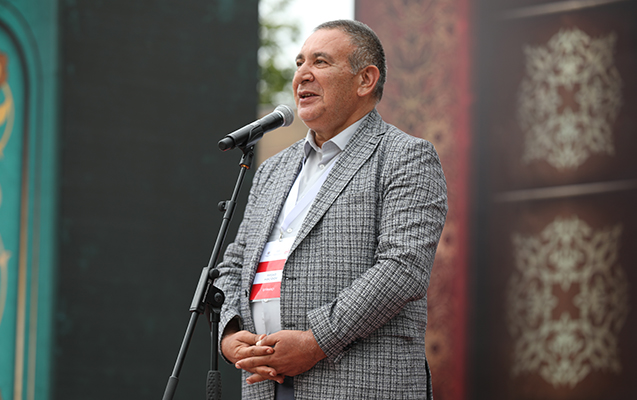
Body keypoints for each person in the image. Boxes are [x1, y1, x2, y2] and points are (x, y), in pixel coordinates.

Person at [216, 19, 447, 400]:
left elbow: (402, 268)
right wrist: (230, 333)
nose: (302, 75)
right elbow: (234, 264)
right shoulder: (273, 168)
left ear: (365, 80)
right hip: (265, 384)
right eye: (299, 62)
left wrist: (315, 341)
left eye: (320, 62)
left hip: (356, 385)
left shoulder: (405, 156)